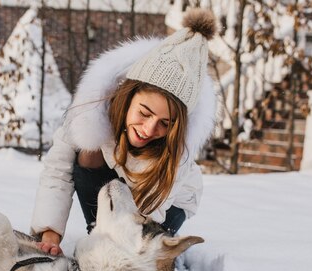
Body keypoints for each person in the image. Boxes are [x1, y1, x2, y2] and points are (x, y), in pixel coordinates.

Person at [31, 8, 218, 256]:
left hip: (166, 205)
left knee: (141, 250)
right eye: (145, 112)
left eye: (166, 122)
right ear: (127, 96)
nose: (150, 129)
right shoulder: (92, 110)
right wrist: (50, 235)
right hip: (112, 180)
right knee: (87, 153)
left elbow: (149, 212)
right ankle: (96, 227)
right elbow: (57, 171)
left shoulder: (177, 149)